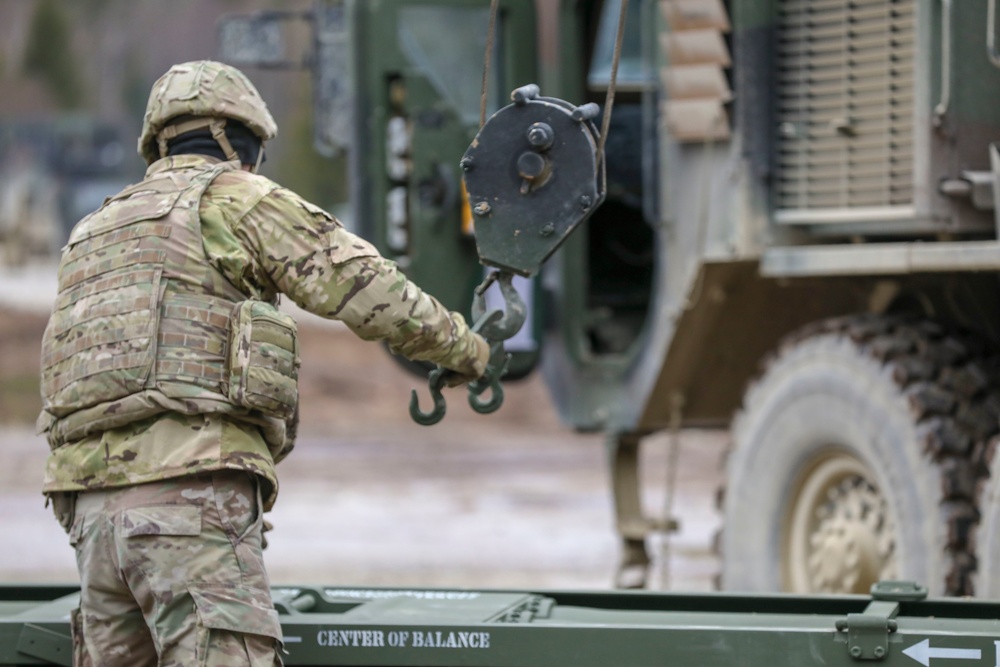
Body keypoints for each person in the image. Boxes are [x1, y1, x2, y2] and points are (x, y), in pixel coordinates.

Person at [37, 60, 490, 666]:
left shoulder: (91, 229)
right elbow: (364, 287)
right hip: (189, 498)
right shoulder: (236, 198)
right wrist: (467, 349)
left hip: (89, 517)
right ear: (237, 139)